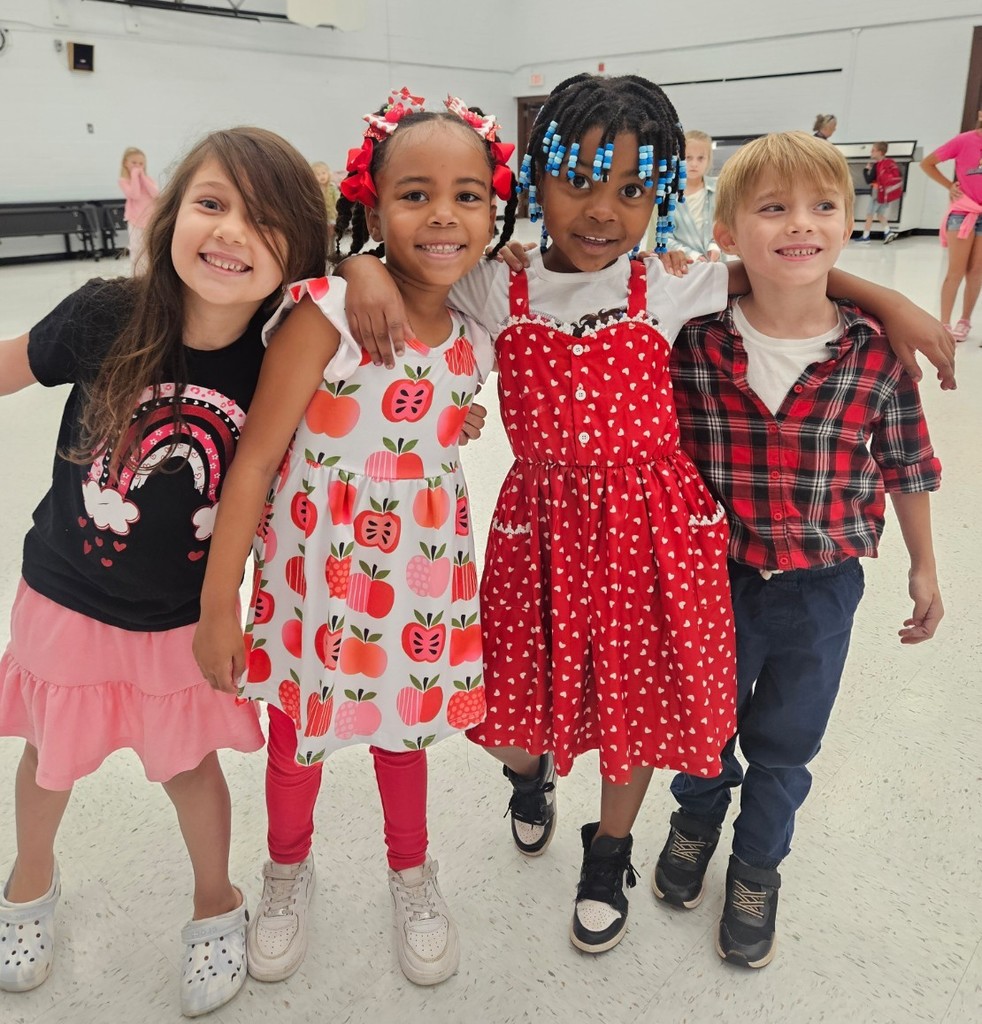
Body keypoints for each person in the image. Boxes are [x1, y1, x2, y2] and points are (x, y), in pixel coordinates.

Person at [338, 73, 956, 957]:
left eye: (633, 189)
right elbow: (402, 280)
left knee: (630, 705)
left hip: (649, 531)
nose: (603, 211)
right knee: (503, 718)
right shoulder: (491, 289)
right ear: (534, 183)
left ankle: (611, 849)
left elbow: (785, 267)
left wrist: (887, 298)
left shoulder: (666, 284)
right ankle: (532, 774)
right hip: (538, 532)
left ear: (662, 192)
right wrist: (360, 261)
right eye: (579, 182)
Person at [192, 89, 517, 988]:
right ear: (371, 205)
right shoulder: (326, 314)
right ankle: (287, 871)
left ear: (496, 209)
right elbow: (253, 464)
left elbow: (443, 419)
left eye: (469, 195)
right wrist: (219, 610)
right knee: (299, 733)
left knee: (401, 734)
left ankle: (412, 875)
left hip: (416, 575)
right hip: (315, 571)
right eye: (414, 194)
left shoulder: (476, 337)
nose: (444, 214)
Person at [0, 127, 327, 1016]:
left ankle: (215, 900)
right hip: (64, 593)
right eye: (212, 205)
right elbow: (11, 367)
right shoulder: (107, 312)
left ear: (299, 253)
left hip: (186, 616)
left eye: (263, 223)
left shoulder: (283, 355)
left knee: (190, 769)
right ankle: (28, 884)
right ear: (172, 210)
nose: (230, 235)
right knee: (47, 760)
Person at [654, 131, 943, 970]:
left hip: (821, 590)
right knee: (703, 726)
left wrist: (926, 564)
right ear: (729, 234)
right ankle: (696, 816)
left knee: (787, 739)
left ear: (850, 224)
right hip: (711, 581)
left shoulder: (873, 353)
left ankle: (757, 865)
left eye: (822, 207)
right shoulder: (693, 343)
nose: (799, 225)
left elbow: (907, 464)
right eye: (772, 208)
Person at [920, 111, 982, 342]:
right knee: (955, 271)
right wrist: (950, 186)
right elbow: (928, 164)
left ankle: (964, 321)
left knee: (976, 272)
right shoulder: (964, 140)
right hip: (963, 212)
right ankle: (944, 322)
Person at [648, 129, 721, 260]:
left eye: (700, 158)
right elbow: (663, 235)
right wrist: (692, 255)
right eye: (688, 157)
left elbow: (725, 224)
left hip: (715, 264)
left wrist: (715, 246)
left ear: (709, 159)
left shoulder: (719, 191)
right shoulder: (666, 194)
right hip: (681, 266)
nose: (694, 164)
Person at [117, 146, 159, 271]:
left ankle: (151, 273)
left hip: (150, 218)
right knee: (136, 247)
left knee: (150, 248)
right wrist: (135, 176)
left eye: (141, 163)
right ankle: (137, 274)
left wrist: (143, 178)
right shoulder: (123, 181)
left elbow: (156, 193)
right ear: (125, 163)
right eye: (134, 163)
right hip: (135, 219)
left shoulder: (148, 179)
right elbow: (134, 194)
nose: (137, 166)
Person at [859, 141, 902, 244]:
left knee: (870, 214)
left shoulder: (877, 166)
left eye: (873, 150)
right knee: (880, 215)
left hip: (877, 194)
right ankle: (888, 231)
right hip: (887, 193)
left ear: (880, 152)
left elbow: (868, 180)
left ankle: (865, 237)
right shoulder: (890, 162)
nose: (871, 152)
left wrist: (865, 170)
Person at [311, 160, 341, 256]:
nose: (322, 176)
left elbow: (337, 199)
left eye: (323, 173)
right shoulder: (315, 190)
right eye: (318, 174)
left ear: (328, 173)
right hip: (321, 217)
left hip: (332, 215)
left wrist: (338, 210)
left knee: (331, 235)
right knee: (322, 235)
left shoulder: (332, 187)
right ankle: (322, 251)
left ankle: (331, 251)